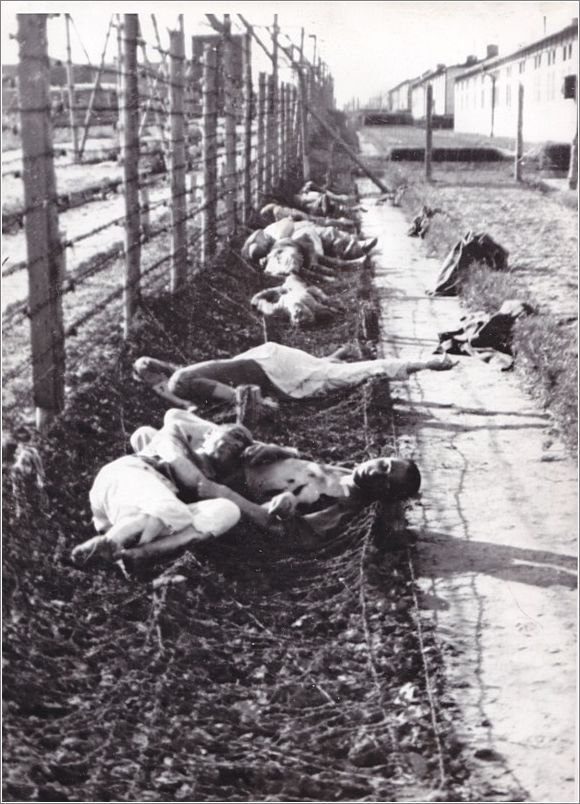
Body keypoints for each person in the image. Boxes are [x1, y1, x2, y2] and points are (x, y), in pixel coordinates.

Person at [132, 409, 422, 540]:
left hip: (217, 478)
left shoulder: (340, 509)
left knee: (165, 430)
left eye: (383, 478)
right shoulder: (349, 473)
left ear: (383, 492)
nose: (373, 469)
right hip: (239, 456)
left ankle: (160, 472)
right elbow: (303, 469)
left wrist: (223, 493)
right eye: (383, 463)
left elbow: (283, 530)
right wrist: (280, 449)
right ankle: (159, 468)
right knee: (166, 422)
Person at [71, 420, 282, 567]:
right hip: (129, 476)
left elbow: (270, 521)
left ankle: (138, 555)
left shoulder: (216, 484)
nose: (237, 444)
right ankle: (108, 544)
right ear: (208, 434)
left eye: (242, 447)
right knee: (169, 508)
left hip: (148, 518)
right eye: (235, 435)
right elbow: (190, 477)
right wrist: (215, 489)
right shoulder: (174, 436)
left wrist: (286, 452)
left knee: (228, 510)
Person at [133, 341, 456, 412]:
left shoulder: (179, 383)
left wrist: (267, 405)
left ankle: (422, 363)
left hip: (272, 371)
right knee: (328, 370)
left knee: (338, 377)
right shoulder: (182, 372)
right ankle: (336, 354)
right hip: (266, 355)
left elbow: (231, 394)